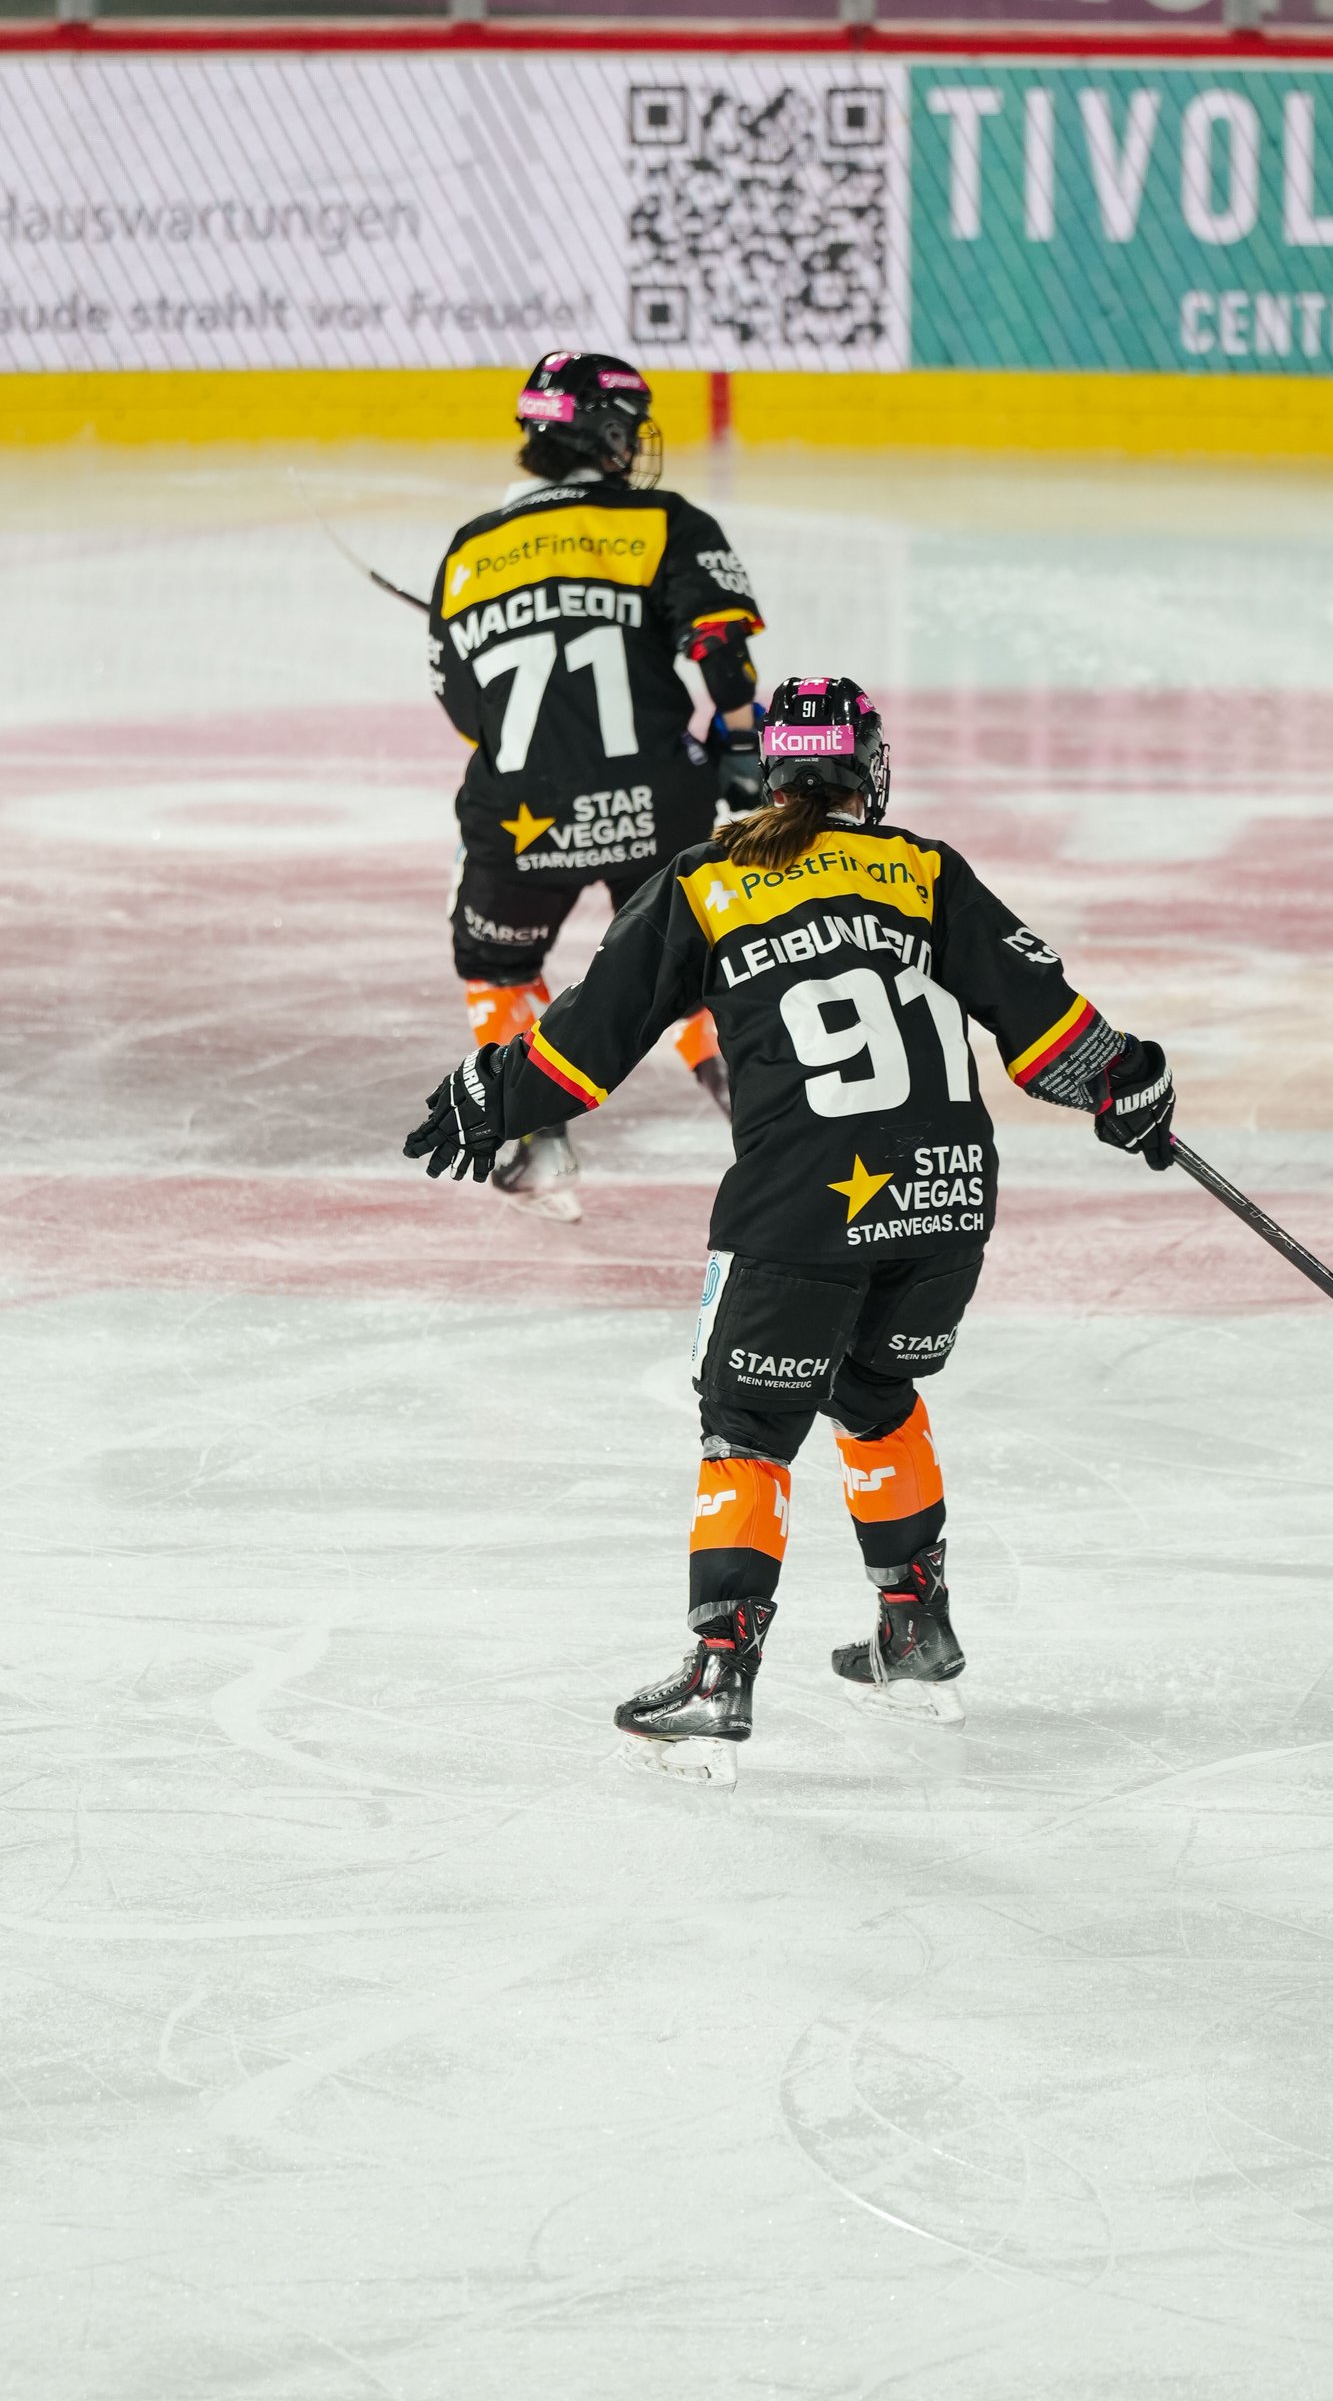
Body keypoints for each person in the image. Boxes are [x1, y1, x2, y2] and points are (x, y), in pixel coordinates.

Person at [402, 673, 1177, 1782]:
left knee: (748, 1430)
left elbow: (591, 1038)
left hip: (804, 1204)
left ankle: (720, 1672)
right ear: (869, 769)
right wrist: (1124, 1083)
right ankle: (915, 1629)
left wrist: (495, 1097)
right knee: (874, 1391)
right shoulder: (922, 869)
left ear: (770, 773)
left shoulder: (709, 878)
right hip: (950, 1196)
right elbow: (1044, 1020)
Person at [428, 348, 766, 1220]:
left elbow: (466, 711)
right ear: (606, 433)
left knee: (497, 962)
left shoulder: (469, 551)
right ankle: (760, 1113)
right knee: (687, 957)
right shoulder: (664, 520)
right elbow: (720, 650)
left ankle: (540, 1142)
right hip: (658, 801)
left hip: (523, 815)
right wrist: (738, 745)